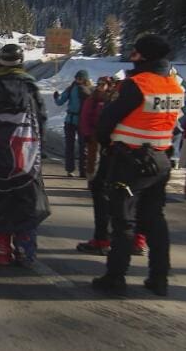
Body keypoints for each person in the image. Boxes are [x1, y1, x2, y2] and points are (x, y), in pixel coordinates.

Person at [91, 34, 184, 297]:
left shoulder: (138, 84)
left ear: (143, 56)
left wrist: (109, 144)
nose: (132, 54)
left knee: (123, 220)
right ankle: (159, 277)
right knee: (155, 219)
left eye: (135, 51)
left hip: (130, 160)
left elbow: (108, 120)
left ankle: (116, 277)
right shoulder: (173, 85)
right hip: (160, 159)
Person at [0, 44, 47, 265]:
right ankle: (25, 250)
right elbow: (41, 120)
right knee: (25, 203)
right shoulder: (30, 88)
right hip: (25, 156)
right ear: (22, 62)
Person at [76, 76, 116, 255]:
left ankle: (107, 240)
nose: (101, 87)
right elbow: (85, 116)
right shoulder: (93, 99)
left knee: (108, 194)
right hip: (97, 137)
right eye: (98, 84)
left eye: (104, 85)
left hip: (115, 149)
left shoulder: (114, 100)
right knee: (93, 164)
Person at [54, 69, 92, 177]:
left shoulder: (75, 89)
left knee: (81, 146)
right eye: (76, 78)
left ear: (85, 79)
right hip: (73, 120)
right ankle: (72, 170)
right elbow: (60, 102)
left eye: (80, 78)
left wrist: (57, 98)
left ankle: (80, 170)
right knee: (74, 146)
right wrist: (57, 97)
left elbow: (60, 102)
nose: (77, 80)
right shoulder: (74, 89)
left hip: (77, 120)